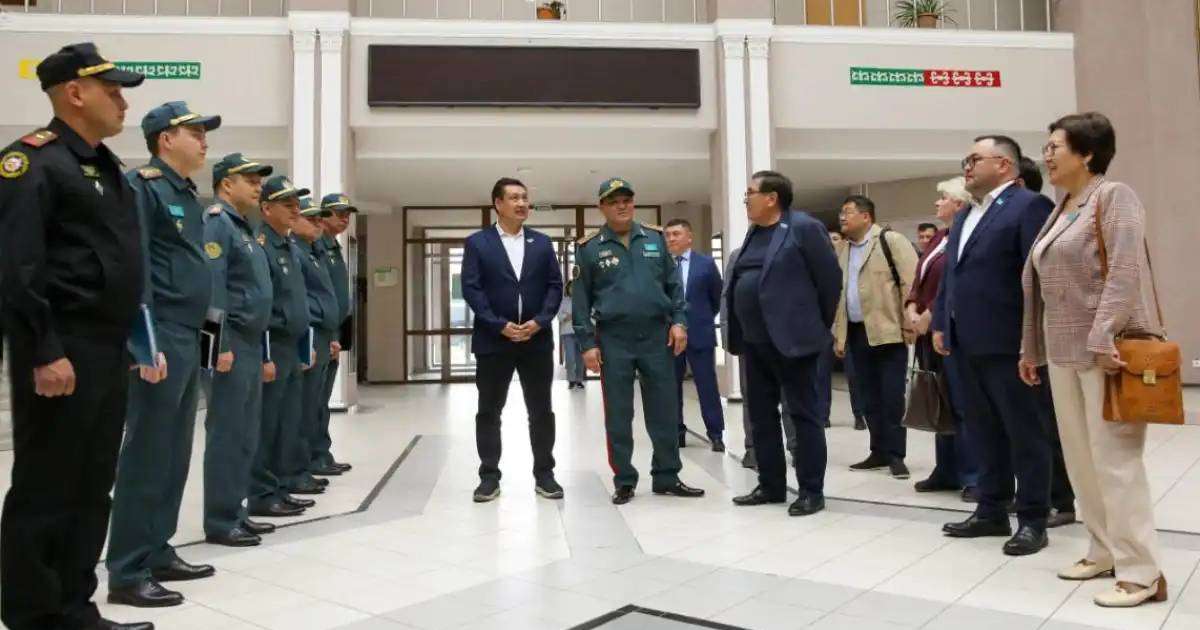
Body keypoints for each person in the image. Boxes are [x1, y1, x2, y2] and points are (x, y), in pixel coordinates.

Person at [0, 42, 153, 630]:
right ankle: (34, 614)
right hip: (61, 348)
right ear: (74, 93)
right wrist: (44, 350)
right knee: (47, 485)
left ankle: (73, 606)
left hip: (104, 347)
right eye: (112, 91)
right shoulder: (30, 162)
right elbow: (17, 267)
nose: (121, 102)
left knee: (92, 485)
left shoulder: (104, 165)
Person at [1020, 112, 1166, 607]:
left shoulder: (1114, 196)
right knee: (1083, 463)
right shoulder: (1061, 207)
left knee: (1116, 462)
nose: (1047, 154)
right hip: (1064, 352)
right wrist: (1031, 348)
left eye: (1057, 146)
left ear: (1086, 154)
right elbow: (1038, 286)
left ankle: (1143, 572)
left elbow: (1125, 270)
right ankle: (1103, 549)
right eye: (1048, 145)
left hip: (1106, 353)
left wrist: (1103, 335)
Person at [106, 101, 222, 608]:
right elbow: (137, 267)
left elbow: (200, 276)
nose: (203, 140)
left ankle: (157, 548)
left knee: (175, 453)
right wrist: (144, 341)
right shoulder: (143, 187)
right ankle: (128, 570)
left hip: (189, 331)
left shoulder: (187, 196)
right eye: (194, 131)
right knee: (148, 453)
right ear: (164, 138)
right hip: (163, 334)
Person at [934, 135, 1054, 557]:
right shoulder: (967, 212)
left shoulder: (1027, 206)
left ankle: (1034, 518)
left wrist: (1031, 342)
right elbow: (954, 274)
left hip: (1009, 345)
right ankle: (991, 509)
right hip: (966, 342)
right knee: (982, 429)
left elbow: (1038, 280)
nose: (966, 167)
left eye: (974, 159)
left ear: (1005, 165)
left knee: (1025, 432)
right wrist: (941, 323)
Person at [572, 177, 705, 505]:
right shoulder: (590, 248)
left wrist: (679, 323)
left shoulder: (656, 239)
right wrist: (587, 344)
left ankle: (667, 475)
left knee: (664, 409)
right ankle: (625, 480)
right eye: (614, 200)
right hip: (613, 339)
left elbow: (675, 287)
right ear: (602, 206)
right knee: (618, 413)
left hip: (657, 337)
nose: (622, 206)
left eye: (628, 200)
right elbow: (580, 301)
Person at [728, 171, 841, 517]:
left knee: (803, 416)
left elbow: (829, 281)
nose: (746, 199)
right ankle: (771, 485)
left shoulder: (803, 228)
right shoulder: (754, 233)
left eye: (750, 193)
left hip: (794, 342)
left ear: (772, 197)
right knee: (761, 418)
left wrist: (811, 327)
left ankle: (811, 490)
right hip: (754, 343)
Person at [461, 177, 564, 502]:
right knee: (489, 411)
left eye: (525, 198)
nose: (522, 203)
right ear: (498, 204)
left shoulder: (542, 243)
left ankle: (545, 474)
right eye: (514, 198)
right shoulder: (478, 243)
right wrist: (498, 324)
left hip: (536, 339)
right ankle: (489, 477)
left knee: (541, 410)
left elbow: (554, 286)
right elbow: (472, 289)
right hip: (494, 341)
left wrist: (541, 321)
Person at [201, 153, 277, 548]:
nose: (257, 185)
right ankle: (219, 520)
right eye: (249, 179)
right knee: (227, 434)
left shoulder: (243, 229)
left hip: (249, 342)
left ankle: (236, 511)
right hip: (228, 341)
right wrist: (218, 346)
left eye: (258, 179)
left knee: (246, 434)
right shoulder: (217, 224)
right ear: (226, 184)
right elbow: (211, 288)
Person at [833, 195, 918, 480]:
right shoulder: (843, 249)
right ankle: (878, 450)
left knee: (891, 395)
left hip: (888, 331)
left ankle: (896, 455)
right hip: (857, 332)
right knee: (868, 396)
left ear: (866, 216)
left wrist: (909, 323)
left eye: (848, 212)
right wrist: (839, 335)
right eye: (841, 213)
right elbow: (841, 295)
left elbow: (911, 283)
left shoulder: (890, 241)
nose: (842, 218)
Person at [905, 176, 979, 501]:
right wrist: (910, 305)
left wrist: (929, 315)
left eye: (943, 199)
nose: (937, 203)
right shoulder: (939, 239)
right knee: (939, 401)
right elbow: (920, 277)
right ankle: (945, 470)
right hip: (926, 333)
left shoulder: (967, 237)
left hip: (951, 331)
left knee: (962, 405)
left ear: (959, 204)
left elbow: (957, 282)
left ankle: (973, 474)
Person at [247, 175, 315, 519]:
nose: (295, 209)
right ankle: (260, 492)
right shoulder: (261, 244)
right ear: (265, 208)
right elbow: (262, 305)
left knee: (288, 421)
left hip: (292, 345)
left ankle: (281, 484)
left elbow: (297, 302)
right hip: (273, 345)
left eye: (297, 203)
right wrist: (264, 354)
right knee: (267, 424)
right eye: (286, 203)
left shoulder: (288, 244)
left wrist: (305, 347)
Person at [1016, 159, 1077, 527]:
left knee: (1046, 424)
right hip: (1023, 337)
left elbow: (1036, 281)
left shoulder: (1035, 209)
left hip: (1042, 337)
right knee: (1030, 424)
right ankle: (1039, 494)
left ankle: (1062, 500)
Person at [721, 246, 798, 470]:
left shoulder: (790, 248)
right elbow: (727, 296)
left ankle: (796, 446)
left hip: (786, 339)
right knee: (753, 399)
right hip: (750, 339)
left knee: (790, 397)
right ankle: (753, 448)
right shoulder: (739, 254)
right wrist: (730, 337)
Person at [287, 199, 341, 497]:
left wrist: (332, 331)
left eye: (319, 220)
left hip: (321, 333)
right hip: (305, 334)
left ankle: (306, 465)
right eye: (310, 219)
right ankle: (298, 469)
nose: (317, 224)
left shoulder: (314, 252)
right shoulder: (296, 251)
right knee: (301, 409)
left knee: (314, 406)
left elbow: (326, 295)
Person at [664, 218, 726, 452]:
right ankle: (677, 431)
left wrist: (701, 319)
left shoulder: (706, 264)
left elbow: (716, 297)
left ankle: (716, 433)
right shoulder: (661, 266)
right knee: (671, 386)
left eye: (676, 234)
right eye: (668, 234)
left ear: (689, 237)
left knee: (707, 385)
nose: (671, 238)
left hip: (700, 333)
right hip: (669, 336)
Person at [311, 193, 358, 476]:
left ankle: (321, 453)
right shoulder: (316, 245)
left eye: (347, 215)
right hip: (320, 331)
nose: (344, 219)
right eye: (338, 213)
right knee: (313, 402)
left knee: (322, 400)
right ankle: (311, 457)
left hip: (334, 330)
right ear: (322, 216)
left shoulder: (333, 247)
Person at [830, 230, 867, 431]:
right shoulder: (826, 266)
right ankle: (857, 414)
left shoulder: (853, 262)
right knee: (849, 374)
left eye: (835, 239)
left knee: (860, 374)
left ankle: (863, 414)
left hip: (855, 325)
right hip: (832, 328)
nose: (832, 244)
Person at [558, 280, 586, 389]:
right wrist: (567, 317)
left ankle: (579, 380)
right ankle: (571, 380)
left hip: (580, 333)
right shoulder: (563, 302)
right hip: (567, 333)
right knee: (570, 358)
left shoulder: (583, 301)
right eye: (571, 287)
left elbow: (586, 316)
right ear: (567, 289)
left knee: (580, 359)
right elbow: (559, 316)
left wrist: (571, 316)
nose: (573, 289)